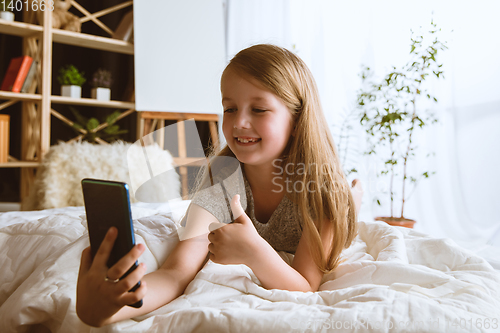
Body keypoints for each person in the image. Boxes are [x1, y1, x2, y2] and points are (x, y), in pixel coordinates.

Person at [76, 44, 360, 327]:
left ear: (297, 121)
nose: (239, 122)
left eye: (259, 109)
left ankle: (357, 192)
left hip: (332, 193)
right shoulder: (222, 175)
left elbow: (306, 285)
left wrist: (254, 252)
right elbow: (177, 272)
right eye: (230, 108)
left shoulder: (323, 191)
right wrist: (114, 306)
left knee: (349, 200)